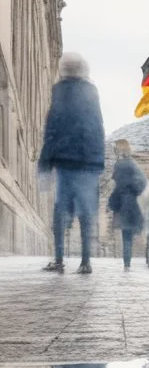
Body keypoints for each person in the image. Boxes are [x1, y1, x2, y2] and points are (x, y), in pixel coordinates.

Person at [38, 53, 105, 275]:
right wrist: (98, 161)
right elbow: (98, 128)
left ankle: (58, 260)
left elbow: (53, 127)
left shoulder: (61, 91)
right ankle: (86, 262)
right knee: (86, 214)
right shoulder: (92, 92)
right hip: (88, 162)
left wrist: (45, 162)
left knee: (61, 211)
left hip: (67, 160)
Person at [107, 139, 147, 270]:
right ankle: (127, 262)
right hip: (132, 203)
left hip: (123, 203)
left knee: (126, 236)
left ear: (120, 149)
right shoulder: (133, 164)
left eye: (116, 149)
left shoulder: (120, 165)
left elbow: (118, 185)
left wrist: (113, 200)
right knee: (129, 235)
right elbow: (142, 183)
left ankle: (126, 263)